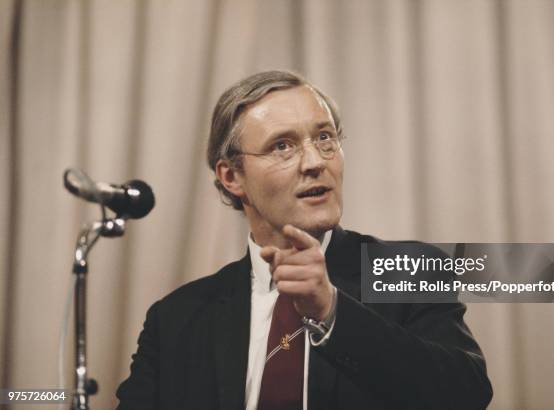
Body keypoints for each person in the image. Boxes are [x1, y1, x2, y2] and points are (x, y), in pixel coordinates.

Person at [116, 70, 493, 410]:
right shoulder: (177, 319)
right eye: (282, 145)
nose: (315, 162)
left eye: (325, 138)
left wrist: (332, 312)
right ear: (232, 177)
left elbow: (467, 393)